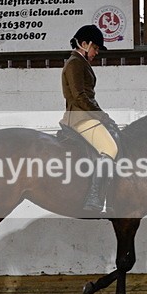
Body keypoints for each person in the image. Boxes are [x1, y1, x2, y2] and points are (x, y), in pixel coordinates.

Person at [61, 24, 118, 213]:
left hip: (85, 115)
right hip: (80, 118)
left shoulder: (80, 62)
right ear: (84, 44)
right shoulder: (75, 63)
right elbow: (79, 96)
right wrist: (102, 115)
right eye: (95, 48)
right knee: (109, 148)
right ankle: (94, 196)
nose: (96, 53)